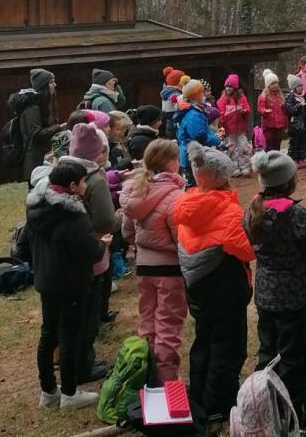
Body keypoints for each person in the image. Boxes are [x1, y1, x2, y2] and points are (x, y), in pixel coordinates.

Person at [173, 141, 255, 423]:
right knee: (229, 346)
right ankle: (219, 403)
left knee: (204, 341)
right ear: (223, 177)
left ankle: (198, 393)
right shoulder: (229, 212)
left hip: (196, 286)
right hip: (225, 287)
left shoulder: (187, 205)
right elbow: (245, 249)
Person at [243, 150, 306, 425]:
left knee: (268, 352)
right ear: (289, 182)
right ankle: (294, 412)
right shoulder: (295, 213)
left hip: (266, 294)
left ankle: (264, 407)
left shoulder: (253, 210)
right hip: (295, 296)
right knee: (295, 357)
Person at [26, 160, 108, 410]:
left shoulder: (36, 208)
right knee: (70, 335)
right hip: (71, 282)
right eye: (83, 181)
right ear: (73, 186)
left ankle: (48, 390)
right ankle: (70, 393)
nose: (85, 186)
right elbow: (89, 251)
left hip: (46, 279)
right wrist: (103, 243)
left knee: (48, 334)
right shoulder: (73, 216)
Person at [119, 139, 187, 382]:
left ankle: (145, 374)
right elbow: (182, 239)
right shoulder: (176, 196)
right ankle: (167, 382)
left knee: (148, 322)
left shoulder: (135, 190)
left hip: (144, 266)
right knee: (168, 326)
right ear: (170, 163)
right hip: (169, 269)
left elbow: (127, 231)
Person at [61, 123, 120, 385]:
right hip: (93, 250)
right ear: (96, 153)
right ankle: (83, 365)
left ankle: (74, 360)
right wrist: (121, 218)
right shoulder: (94, 178)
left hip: (66, 255)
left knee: (72, 313)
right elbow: (106, 219)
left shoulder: (60, 173)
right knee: (87, 314)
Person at [12, 68, 60, 180]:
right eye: (51, 82)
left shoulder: (42, 106)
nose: (55, 85)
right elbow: (36, 135)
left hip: (41, 157)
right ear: (44, 85)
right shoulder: (32, 109)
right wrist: (58, 128)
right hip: (34, 161)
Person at [175, 79, 224, 186]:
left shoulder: (194, 110)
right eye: (201, 92)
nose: (203, 95)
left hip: (193, 155)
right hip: (191, 158)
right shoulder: (193, 114)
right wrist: (216, 139)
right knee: (195, 188)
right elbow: (199, 136)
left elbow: (202, 131)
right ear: (196, 95)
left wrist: (214, 136)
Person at [216, 74, 252, 177]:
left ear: (235, 87)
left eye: (230, 86)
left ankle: (245, 167)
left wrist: (245, 111)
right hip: (229, 129)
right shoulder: (222, 100)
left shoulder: (241, 98)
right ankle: (234, 168)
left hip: (241, 128)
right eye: (227, 86)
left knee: (243, 147)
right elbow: (220, 114)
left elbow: (247, 108)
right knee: (231, 149)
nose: (228, 88)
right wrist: (221, 126)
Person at [286, 74, 306, 169]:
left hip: (303, 124)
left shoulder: (303, 96)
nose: (301, 87)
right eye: (298, 86)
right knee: (294, 143)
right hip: (294, 125)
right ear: (293, 88)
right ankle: (293, 160)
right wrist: (299, 105)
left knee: (302, 142)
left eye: (301, 85)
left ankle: (300, 159)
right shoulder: (290, 97)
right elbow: (290, 110)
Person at [257, 70, 287, 153]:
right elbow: (260, 108)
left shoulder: (280, 96)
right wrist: (264, 111)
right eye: (272, 84)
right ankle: (270, 162)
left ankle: (277, 162)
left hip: (279, 125)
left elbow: (284, 111)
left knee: (277, 145)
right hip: (269, 126)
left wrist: (285, 122)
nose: (275, 85)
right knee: (270, 145)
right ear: (268, 85)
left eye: (276, 83)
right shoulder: (263, 96)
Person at [160, 67, 186, 140]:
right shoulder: (174, 95)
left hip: (170, 124)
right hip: (175, 125)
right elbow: (180, 108)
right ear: (178, 83)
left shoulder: (167, 92)